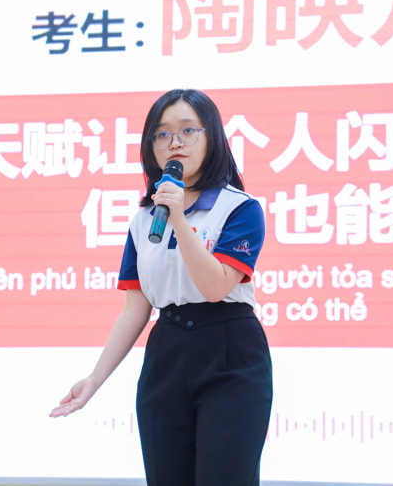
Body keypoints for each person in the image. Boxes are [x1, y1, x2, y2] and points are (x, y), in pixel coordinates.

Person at [50, 89, 273, 486]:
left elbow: (216, 286)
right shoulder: (143, 221)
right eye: (162, 133)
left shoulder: (240, 208)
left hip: (229, 350)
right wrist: (94, 380)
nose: (175, 142)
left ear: (212, 137)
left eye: (188, 130)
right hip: (167, 352)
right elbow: (135, 309)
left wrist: (179, 220)